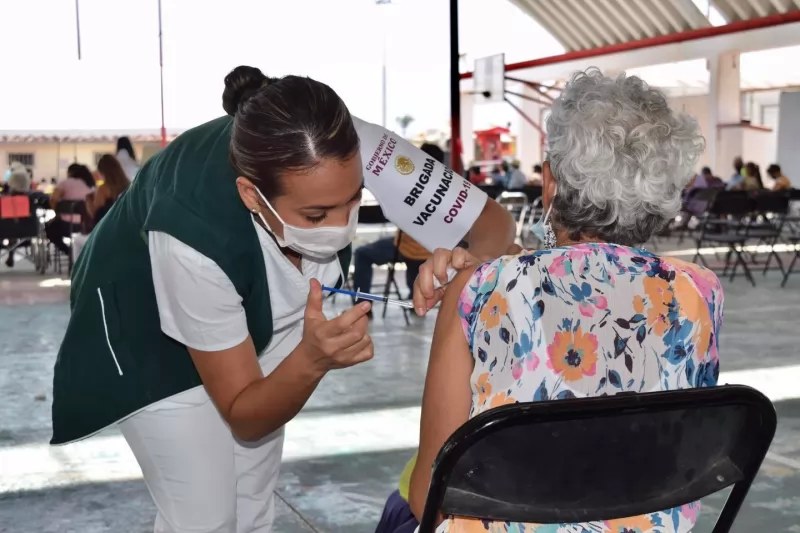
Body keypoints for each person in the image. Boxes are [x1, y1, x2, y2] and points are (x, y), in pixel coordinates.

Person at [50, 65, 515, 533]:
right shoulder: (192, 235)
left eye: (354, 200)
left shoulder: (349, 141)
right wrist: (311, 361)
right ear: (252, 196)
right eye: (316, 215)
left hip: (256, 308)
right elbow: (245, 414)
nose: (342, 226)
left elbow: (492, 224)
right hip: (145, 337)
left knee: (252, 497)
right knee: (204, 516)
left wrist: (464, 267)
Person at [378, 68, 720, 533]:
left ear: (551, 183)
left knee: (397, 512)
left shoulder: (481, 288)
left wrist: (485, 273)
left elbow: (430, 499)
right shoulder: (699, 292)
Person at [352, 143, 445, 305]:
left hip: (408, 250)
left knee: (362, 254)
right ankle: (414, 295)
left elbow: (386, 213)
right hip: (434, 251)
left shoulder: (412, 183)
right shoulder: (446, 188)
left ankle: (363, 304)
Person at [45, 163, 95, 257]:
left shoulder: (65, 183)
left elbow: (53, 199)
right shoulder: (89, 185)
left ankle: (68, 252)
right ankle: (81, 253)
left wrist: (57, 213)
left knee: (49, 229)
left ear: (70, 172)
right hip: (85, 225)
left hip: (66, 225)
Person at [86, 154, 130, 224]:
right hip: (126, 224)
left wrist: (88, 200)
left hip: (108, 226)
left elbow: (95, 213)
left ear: (103, 172)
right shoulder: (128, 185)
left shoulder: (104, 188)